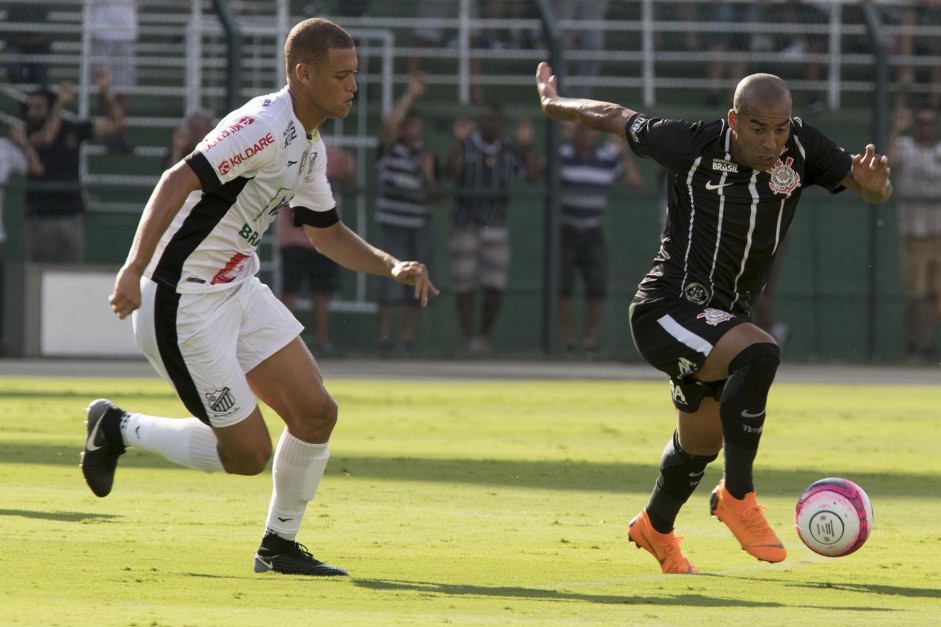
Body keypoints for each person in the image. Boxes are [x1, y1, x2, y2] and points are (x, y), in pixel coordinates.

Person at [82, 18, 438, 577]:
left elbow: (324, 231)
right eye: (342, 75)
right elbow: (177, 180)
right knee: (248, 456)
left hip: (236, 288)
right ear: (304, 73)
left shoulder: (309, 143)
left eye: (356, 74)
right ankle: (118, 428)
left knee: (316, 413)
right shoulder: (263, 126)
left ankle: (278, 548)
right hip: (181, 300)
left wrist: (390, 264)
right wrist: (131, 268)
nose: (354, 86)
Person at [535, 62, 892, 574]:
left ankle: (654, 528)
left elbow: (867, 189)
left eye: (780, 128)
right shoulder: (692, 143)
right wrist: (554, 104)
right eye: (758, 128)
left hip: (721, 318)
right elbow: (614, 116)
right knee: (760, 352)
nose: (772, 142)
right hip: (667, 308)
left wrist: (876, 187)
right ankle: (738, 497)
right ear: (733, 119)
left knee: (699, 443)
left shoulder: (803, 148)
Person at [446, 101, 541, 355]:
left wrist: (527, 146)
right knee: (464, 286)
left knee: (494, 286)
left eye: (497, 120)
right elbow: (451, 173)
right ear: (480, 121)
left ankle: (484, 337)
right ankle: (468, 340)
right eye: (488, 119)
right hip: (465, 223)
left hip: (496, 225)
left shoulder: (509, 149)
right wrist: (457, 142)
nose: (493, 124)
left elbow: (531, 176)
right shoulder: (467, 145)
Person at [22, 72, 126, 264]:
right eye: (31, 107)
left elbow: (114, 124)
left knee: (70, 274)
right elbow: (47, 137)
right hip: (41, 215)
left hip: (71, 215)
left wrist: (104, 91)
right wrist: (59, 104)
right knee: (39, 276)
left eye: (39, 107)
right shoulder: (28, 129)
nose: (33, 112)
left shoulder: (71, 128)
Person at [558, 123, 642, 354]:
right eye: (582, 130)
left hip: (593, 231)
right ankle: (567, 341)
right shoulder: (562, 155)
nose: (587, 134)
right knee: (562, 287)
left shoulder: (607, 159)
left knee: (596, 287)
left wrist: (623, 156)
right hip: (566, 230)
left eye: (591, 130)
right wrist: (558, 140)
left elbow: (635, 182)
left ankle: (589, 341)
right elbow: (538, 172)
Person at [375, 72, 440, 355]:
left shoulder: (425, 155)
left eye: (415, 126)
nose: (411, 131)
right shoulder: (389, 150)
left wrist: (427, 174)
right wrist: (410, 94)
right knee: (390, 284)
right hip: (393, 225)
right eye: (407, 125)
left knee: (416, 284)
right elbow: (388, 126)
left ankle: (407, 340)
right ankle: (385, 341)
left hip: (419, 226)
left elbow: (436, 195)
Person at [275, 143, 356, 355]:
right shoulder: (288, 150)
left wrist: (349, 170)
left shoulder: (332, 153)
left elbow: (348, 182)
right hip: (292, 235)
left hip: (322, 238)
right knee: (289, 290)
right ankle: (281, 343)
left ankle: (322, 342)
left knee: (321, 292)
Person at [888, 101, 941, 361]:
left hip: (938, 233)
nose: (926, 128)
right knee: (915, 295)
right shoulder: (906, 147)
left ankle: (927, 346)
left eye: (930, 122)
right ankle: (911, 345)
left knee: (933, 295)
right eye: (921, 122)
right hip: (913, 234)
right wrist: (897, 128)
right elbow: (890, 160)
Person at [2, 2, 50, 86]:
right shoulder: (15, 5)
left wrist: (35, 40)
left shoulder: (41, 5)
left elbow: (46, 31)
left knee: (40, 72)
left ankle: (36, 92)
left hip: (39, 43)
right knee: (13, 66)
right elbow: (9, 31)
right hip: (17, 43)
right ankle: (24, 93)